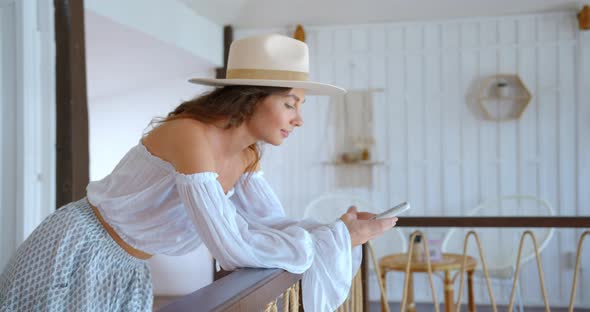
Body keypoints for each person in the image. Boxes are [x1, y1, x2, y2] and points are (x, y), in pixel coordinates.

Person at [0, 33, 397, 311]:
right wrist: (335, 237)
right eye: (291, 104)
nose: (299, 120)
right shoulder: (191, 136)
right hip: (76, 247)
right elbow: (230, 247)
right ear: (252, 98)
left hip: (129, 265)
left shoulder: (246, 157)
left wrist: (337, 232)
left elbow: (272, 223)